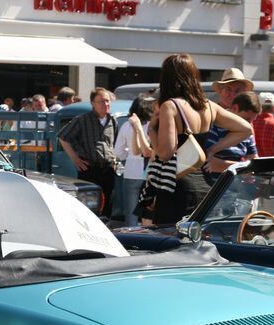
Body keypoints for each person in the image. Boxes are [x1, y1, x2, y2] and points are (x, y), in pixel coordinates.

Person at [144, 54, 252, 225]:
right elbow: (245, 129)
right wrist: (212, 150)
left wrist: (151, 129)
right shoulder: (209, 105)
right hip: (205, 187)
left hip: (176, 187)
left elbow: (165, 153)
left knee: (171, 245)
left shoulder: (170, 106)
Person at [58, 87, 118, 216]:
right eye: (101, 101)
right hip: (89, 169)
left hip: (108, 169)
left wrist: (114, 160)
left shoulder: (112, 120)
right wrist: (75, 159)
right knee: (88, 207)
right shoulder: (82, 119)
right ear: (93, 103)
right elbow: (63, 137)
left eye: (107, 101)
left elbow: (113, 143)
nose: (105, 104)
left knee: (107, 207)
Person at [113, 96, 154, 226]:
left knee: (131, 213)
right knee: (148, 213)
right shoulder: (153, 125)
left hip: (131, 170)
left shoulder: (126, 125)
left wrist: (128, 155)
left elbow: (118, 152)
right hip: (149, 171)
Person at [202, 91, 259, 185]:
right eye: (246, 119)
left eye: (251, 121)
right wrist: (242, 169)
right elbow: (209, 163)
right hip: (214, 189)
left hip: (236, 188)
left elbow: (253, 159)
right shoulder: (214, 125)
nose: (248, 124)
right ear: (235, 108)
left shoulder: (248, 131)